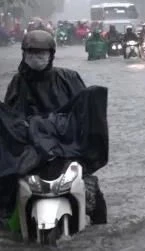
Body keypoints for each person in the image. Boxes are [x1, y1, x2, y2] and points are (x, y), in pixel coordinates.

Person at [2, 30, 107, 224]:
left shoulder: (68, 78)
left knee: (92, 189)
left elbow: (82, 113)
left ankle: (100, 226)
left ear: (51, 54)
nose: (36, 58)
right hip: (30, 149)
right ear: (24, 54)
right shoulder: (18, 82)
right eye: (31, 53)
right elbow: (10, 119)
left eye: (41, 54)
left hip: (65, 146)